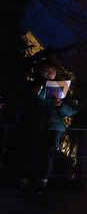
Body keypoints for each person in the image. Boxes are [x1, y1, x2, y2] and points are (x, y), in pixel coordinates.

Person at [17, 62, 76, 197]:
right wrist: (32, 96)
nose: (50, 74)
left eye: (53, 72)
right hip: (34, 124)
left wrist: (60, 105)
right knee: (29, 152)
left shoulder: (62, 89)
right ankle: (23, 181)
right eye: (47, 71)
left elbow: (71, 111)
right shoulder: (31, 85)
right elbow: (21, 105)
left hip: (53, 127)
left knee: (47, 156)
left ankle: (41, 183)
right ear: (41, 72)